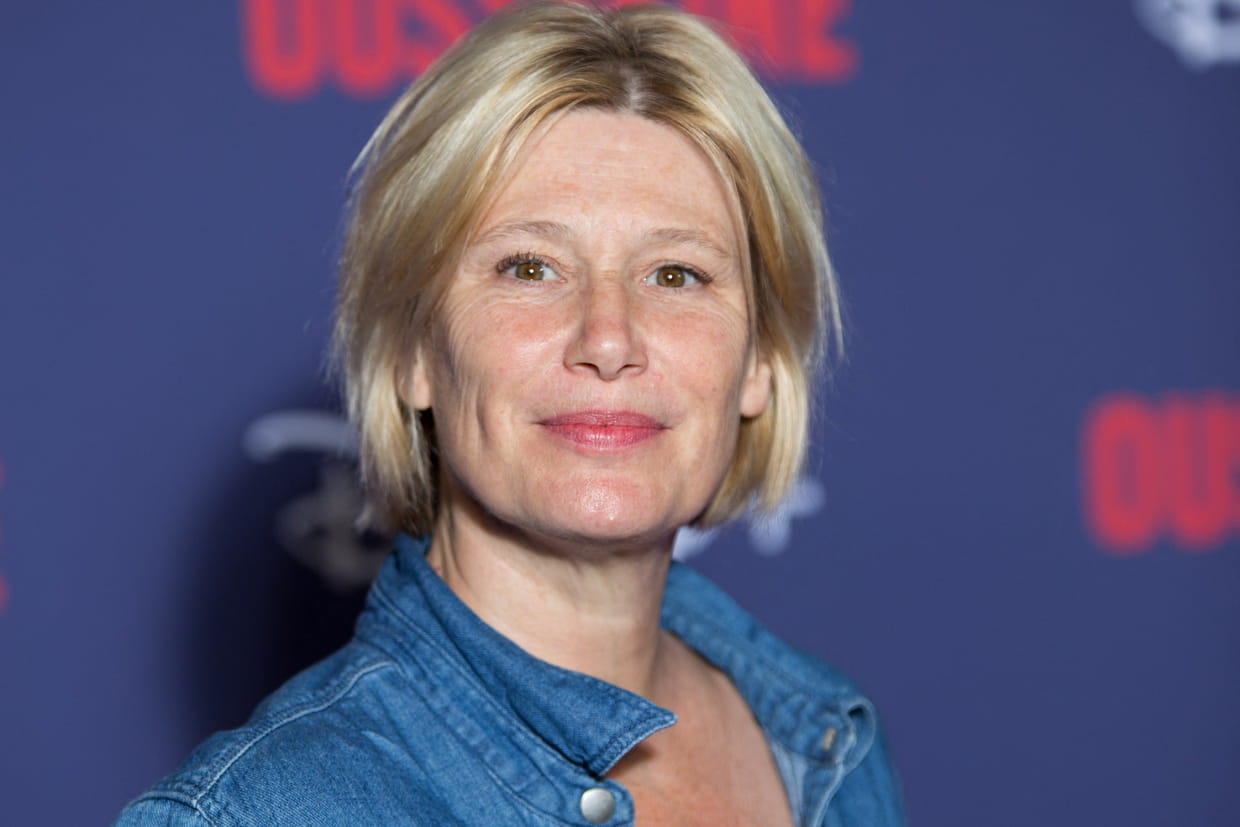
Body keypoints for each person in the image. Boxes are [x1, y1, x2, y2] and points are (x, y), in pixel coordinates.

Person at [116, 1, 904, 824]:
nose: (609, 338)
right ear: (414, 351)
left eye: (676, 274)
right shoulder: (248, 814)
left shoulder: (830, 739)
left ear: (760, 362)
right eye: (530, 267)